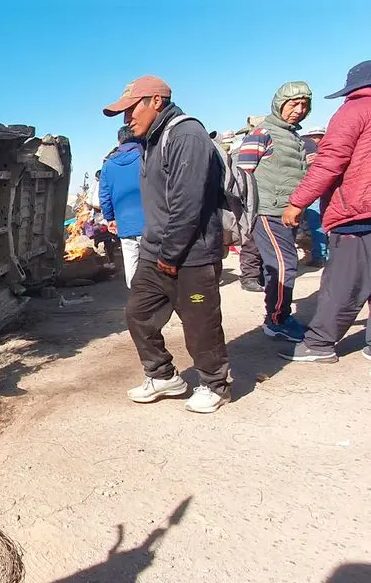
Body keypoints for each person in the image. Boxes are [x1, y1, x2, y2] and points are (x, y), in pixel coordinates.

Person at [103, 75, 231, 413]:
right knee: (138, 313)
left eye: (131, 110)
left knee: (199, 322)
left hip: (191, 254)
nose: (127, 118)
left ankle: (215, 383)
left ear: (156, 102)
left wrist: (171, 256)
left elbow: (187, 205)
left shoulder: (186, 135)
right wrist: (155, 250)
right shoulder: (152, 141)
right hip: (155, 250)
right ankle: (163, 376)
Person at [279, 60, 371, 363]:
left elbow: (330, 162)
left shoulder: (354, 111)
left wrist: (298, 201)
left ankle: (319, 343)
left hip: (358, 212)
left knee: (344, 282)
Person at [236, 82, 314, 343]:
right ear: (279, 104)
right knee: (284, 265)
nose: (299, 110)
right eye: (293, 104)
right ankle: (277, 319)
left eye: (304, 105)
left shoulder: (293, 136)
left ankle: (277, 313)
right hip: (269, 210)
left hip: (288, 212)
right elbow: (241, 173)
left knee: (278, 266)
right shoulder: (263, 133)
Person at [99, 125, 146, 288]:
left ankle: (136, 298)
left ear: (119, 142)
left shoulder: (108, 165)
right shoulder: (146, 156)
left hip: (124, 224)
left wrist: (110, 218)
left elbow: (104, 196)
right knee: (152, 265)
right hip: (151, 222)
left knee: (131, 262)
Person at [232, 115, 267, 293]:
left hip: (267, 199)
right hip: (254, 199)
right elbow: (243, 175)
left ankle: (260, 274)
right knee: (252, 240)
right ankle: (250, 276)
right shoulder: (248, 146)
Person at [300, 126, 329, 266]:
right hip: (316, 188)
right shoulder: (321, 148)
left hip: (313, 188)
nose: (316, 139)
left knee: (316, 223)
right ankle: (322, 255)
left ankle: (320, 256)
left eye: (318, 136)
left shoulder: (310, 148)